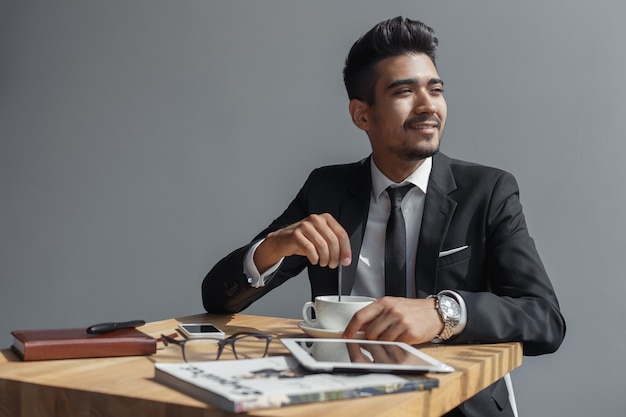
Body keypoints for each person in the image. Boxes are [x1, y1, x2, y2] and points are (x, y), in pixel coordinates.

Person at [202, 16, 566, 417]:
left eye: (436, 89)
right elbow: (216, 298)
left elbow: (544, 319)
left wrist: (442, 312)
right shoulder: (327, 189)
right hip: (341, 402)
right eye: (405, 91)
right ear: (362, 115)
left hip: (455, 404)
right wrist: (272, 247)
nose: (428, 106)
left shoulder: (489, 190)